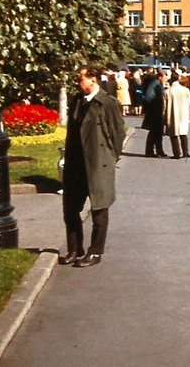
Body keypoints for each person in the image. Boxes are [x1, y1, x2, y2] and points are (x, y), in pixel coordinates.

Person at [61, 65, 125, 268]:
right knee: (70, 208)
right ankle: (74, 249)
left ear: (93, 80)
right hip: (76, 163)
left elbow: (117, 134)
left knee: (99, 210)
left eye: (81, 78)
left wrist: (109, 158)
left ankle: (95, 251)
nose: (78, 82)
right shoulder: (77, 101)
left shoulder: (107, 103)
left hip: (98, 163)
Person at [164, 71, 190, 159]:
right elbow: (189, 104)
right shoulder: (186, 90)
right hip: (184, 114)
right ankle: (185, 152)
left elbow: (164, 107)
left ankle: (176, 153)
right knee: (183, 133)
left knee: (174, 135)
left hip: (172, 114)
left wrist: (164, 117)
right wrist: (189, 114)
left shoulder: (167, 91)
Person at [141, 69, 168, 158]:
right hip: (155, 112)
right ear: (160, 77)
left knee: (157, 132)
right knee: (154, 132)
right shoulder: (155, 84)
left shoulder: (158, 84)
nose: (166, 79)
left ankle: (158, 150)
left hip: (156, 111)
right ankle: (151, 151)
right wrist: (154, 107)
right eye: (165, 77)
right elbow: (149, 97)